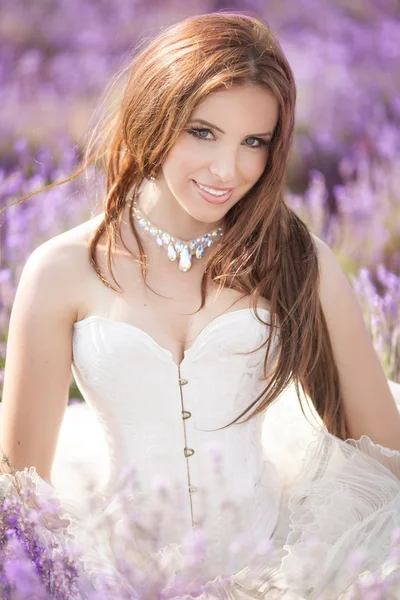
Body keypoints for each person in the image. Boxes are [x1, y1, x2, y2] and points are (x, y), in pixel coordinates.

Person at [0, 11, 399, 599]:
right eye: (203, 132)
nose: (226, 170)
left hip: (281, 572)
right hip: (120, 575)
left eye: (254, 143)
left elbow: (385, 452)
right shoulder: (60, 271)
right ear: (154, 115)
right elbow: (21, 494)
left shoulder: (295, 260)